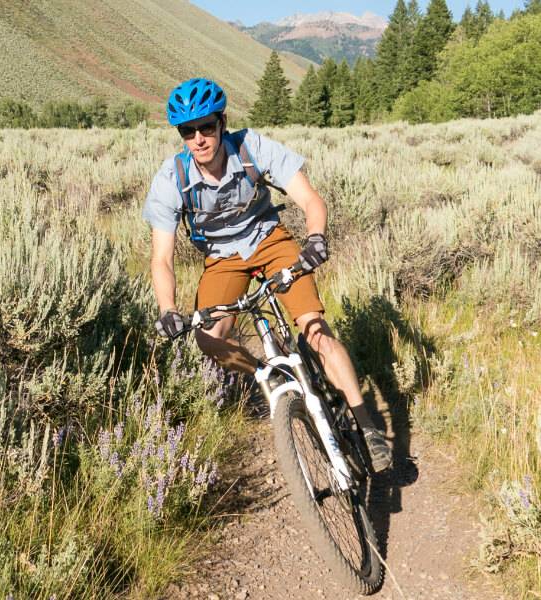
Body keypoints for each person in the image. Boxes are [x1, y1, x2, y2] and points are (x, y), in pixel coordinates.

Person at [143, 77, 392, 473]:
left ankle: (368, 426)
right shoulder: (172, 177)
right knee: (209, 341)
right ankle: (268, 376)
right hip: (222, 259)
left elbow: (310, 198)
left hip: (269, 239)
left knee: (315, 329)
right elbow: (162, 258)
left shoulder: (251, 148)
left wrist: (315, 239)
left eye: (206, 126)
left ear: (222, 122)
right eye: (187, 131)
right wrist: (168, 308)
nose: (199, 139)